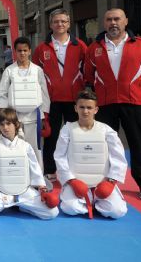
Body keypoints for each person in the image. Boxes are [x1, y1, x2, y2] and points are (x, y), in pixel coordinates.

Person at [84, 8, 141, 201]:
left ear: (126, 21)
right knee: (105, 145)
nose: (113, 23)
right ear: (104, 23)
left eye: (117, 19)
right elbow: (88, 77)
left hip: (134, 101)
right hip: (105, 103)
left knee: (139, 144)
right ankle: (102, 182)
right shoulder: (95, 48)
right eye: (109, 20)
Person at [0, 108, 59, 221]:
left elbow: (35, 169)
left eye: (8, 124)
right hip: (2, 194)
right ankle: (9, 205)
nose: (5, 127)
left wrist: (42, 189)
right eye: (2, 124)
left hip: (25, 193)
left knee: (52, 212)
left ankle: (23, 207)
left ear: (16, 124)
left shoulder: (26, 146)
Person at [54, 89, 128, 219]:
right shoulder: (67, 130)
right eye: (81, 107)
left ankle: (94, 200)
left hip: (102, 182)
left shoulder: (106, 130)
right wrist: (71, 181)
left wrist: (110, 182)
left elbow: (119, 158)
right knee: (69, 208)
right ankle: (90, 201)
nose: (85, 111)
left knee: (118, 211)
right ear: (75, 108)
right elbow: (59, 157)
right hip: (77, 182)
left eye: (89, 107)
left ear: (96, 110)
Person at [33, 9, 87, 181]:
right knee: (51, 136)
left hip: (74, 100)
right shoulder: (42, 48)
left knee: (74, 135)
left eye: (63, 21)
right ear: (50, 25)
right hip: (51, 100)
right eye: (56, 21)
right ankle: (50, 169)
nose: (60, 24)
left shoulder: (80, 46)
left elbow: (88, 71)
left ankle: (74, 168)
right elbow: (35, 73)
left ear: (69, 24)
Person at [0, 37, 50, 168]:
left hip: (34, 116)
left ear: (30, 51)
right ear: (15, 51)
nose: (22, 53)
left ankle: (38, 179)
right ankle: (18, 174)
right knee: (16, 147)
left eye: (25, 50)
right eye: (19, 50)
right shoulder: (9, 71)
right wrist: (4, 114)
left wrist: (45, 115)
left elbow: (44, 92)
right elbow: (2, 94)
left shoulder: (37, 70)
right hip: (15, 118)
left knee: (34, 147)